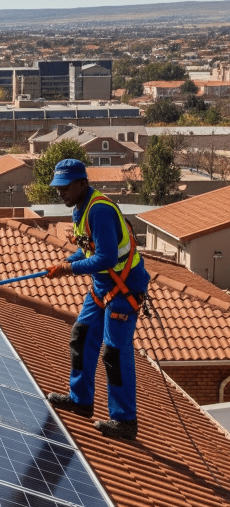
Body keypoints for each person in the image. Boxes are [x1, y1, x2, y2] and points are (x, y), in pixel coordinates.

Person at [45, 158, 150, 439]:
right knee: (81, 335)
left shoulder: (99, 210)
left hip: (124, 288)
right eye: (58, 188)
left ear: (83, 183)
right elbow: (88, 248)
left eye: (66, 187)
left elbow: (105, 258)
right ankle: (81, 400)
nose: (61, 193)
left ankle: (125, 421)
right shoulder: (79, 209)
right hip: (103, 286)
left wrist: (69, 269)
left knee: (114, 352)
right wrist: (67, 261)